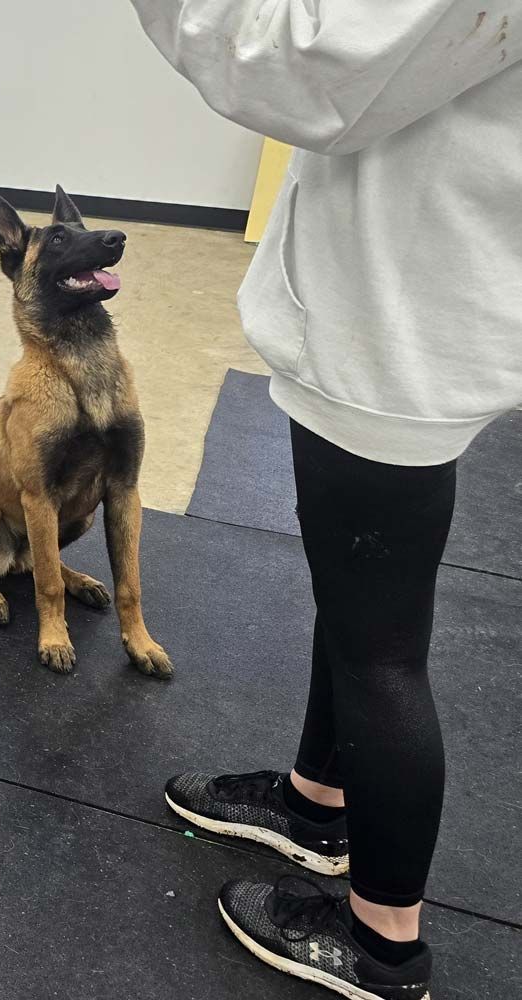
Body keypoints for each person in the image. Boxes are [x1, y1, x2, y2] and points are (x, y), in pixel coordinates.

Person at [127, 3, 522, 997]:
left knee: (378, 651)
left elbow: (301, 71)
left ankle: (382, 945)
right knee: (355, 614)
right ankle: (312, 805)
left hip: (396, 334)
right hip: (402, 311)